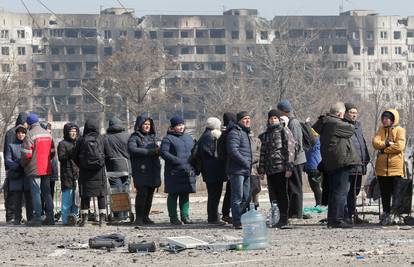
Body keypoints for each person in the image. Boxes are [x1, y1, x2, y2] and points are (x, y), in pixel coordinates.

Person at [313, 102, 360, 228]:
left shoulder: (326, 122)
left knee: (335, 192)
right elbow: (351, 129)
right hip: (340, 162)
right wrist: (346, 119)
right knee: (340, 192)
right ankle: (337, 220)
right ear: (340, 113)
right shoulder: (334, 123)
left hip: (332, 162)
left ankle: (333, 219)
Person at [258, 109, 295, 228]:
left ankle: (284, 218)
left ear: (279, 119)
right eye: (271, 118)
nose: (273, 120)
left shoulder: (284, 131)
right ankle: (276, 216)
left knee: (282, 193)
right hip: (270, 169)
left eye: (275, 118)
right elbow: (263, 152)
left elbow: (290, 150)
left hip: (281, 168)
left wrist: (289, 167)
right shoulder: (266, 134)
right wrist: (262, 169)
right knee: (273, 195)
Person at [20, 113, 56, 226]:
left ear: (29, 123)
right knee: (47, 193)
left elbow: (27, 155)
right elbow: (53, 152)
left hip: (34, 168)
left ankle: (37, 218)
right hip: (46, 168)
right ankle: (50, 217)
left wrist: (24, 165)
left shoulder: (30, 135)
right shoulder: (48, 134)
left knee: (36, 193)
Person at [372, 109, 406, 226]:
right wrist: (386, 144)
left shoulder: (400, 130)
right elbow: (375, 143)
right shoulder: (381, 130)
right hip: (381, 169)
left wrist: (383, 149)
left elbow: (399, 146)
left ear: (393, 120)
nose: (385, 120)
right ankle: (386, 213)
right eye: (384, 118)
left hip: (395, 168)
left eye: (387, 118)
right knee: (384, 193)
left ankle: (396, 214)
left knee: (397, 193)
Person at [160, 116, 196, 225]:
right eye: (178, 125)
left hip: (187, 170)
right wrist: (176, 160)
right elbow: (163, 152)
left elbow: (194, 151)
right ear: (173, 127)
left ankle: (185, 216)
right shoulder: (168, 138)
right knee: (173, 194)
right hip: (174, 171)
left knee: (185, 194)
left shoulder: (188, 137)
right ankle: (173, 217)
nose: (180, 127)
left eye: (182, 125)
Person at [128, 115, 161, 226]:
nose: (147, 126)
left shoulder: (154, 137)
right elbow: (133, 150)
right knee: (142, 194)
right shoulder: (134, 137)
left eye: (148, 124)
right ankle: (139, 218)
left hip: (153, 169)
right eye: (145, 124)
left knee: (150, 194)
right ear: (140, 125)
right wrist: (150, 151)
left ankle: (146, 216)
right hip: (141, 170)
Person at [277, 100, 307, 219]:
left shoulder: (293, 123)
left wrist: (291, 158)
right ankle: (293, 211)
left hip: (296, 159)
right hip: (292, 159)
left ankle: (297, 212)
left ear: (284, 111)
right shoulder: (288, 122)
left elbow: (296, 143)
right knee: (291, 186)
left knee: (296, 186)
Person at [74, 119, 107, 227]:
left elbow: (74, 155)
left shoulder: (81, 140)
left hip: (85, 172)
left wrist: (82, 164)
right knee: (101, 194)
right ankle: (102, 219)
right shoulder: (102, 139)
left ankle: (84, 219)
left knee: (85, 194)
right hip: (99, 171)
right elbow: (107, 153)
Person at [343, 103, 370, 224]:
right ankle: (346, 215)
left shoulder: (358, 126)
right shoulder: (343, 126)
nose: (353, 115)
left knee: (356, 191)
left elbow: (362, 144)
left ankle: (353, 213)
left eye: (355, 113)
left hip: (360, 164)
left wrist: (366, 158)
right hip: (349, 164)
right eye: (351, 112)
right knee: (347, 191)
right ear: (345, 113)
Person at [226, 111, 253, 229]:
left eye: (248, 118)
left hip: (246, 169)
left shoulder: (245, 133)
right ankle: (237, 221)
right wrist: (245, 162)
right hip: (237, 170)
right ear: (239, 121)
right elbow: (233, 151)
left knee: (246, 196)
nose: (247, 121)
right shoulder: (235, 132)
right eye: (244, 119)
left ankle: (242, 218)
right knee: (237, 197)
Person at [198, 117, 226, 225]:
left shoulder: (206, 135)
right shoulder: (210, 136)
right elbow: (213, 153)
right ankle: (213, 218)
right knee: (214, 195)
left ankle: (213, 217)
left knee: (213, 195)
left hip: (210, 171)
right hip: (213, 170)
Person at [4, 125, 32, 225]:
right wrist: (18, 166)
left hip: (27, 175)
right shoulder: (11, 146)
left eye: (23, 133)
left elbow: (32, 158)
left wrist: (24, 165)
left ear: (26, 134)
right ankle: (17, 218)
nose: (21, 135)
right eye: (19, 133)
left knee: (29, 199)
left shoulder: (29, 145)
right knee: (17, 200)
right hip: (16, 176)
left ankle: (30, 218)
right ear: (16, 134)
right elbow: (8, 160)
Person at [3, 111, 27, 223]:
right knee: (14, 194)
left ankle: (12, 216)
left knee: (14, 193)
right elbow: (8, 151)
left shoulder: (10, 132)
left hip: (13, 166)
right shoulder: (12, 133)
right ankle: (11, 216)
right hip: (15, 166)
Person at [103, 117, 130, 219]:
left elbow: (105, 153)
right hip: (127, 167)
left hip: (113, 168)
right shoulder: (128, 136)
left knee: (116, 191)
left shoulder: (106, 138)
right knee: (125, 190)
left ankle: (118, 215)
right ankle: (126, 213)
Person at [57, 122, 80, 225]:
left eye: (75, 131)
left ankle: (75, 219)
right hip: (67, 174)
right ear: (67, 132)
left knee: (76, 200)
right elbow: (61, 157)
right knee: (67, 200)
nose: (73, 133)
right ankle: (66, 220)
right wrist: (72, 152)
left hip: (78, 174)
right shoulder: (62, 144)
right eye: (71, 131)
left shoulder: (78, 143)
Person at [217, 112, 237, 224]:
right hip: (231, 167)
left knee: (230, 191)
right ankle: (226, 213)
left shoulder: (223, 135)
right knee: (231, 191)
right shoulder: (229, 134)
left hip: (226, 167)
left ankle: (225, 213)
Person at [40, 122, 58, 218]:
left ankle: (48, 212)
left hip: (51, 169)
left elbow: (53, 155)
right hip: (45, 169)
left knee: (49, 192)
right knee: (43, 192)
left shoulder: (51, 139)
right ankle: (42, 211)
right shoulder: (45, 139)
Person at [304, 128, 323, 207]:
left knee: (315, 187)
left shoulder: (314, 141)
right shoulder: (318, 140)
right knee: (316, 187)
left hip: (313, 167)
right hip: (315, 166)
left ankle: (319, 203)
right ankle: (320, 203)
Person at [249, 131, 263, 209]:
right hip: (247, 169)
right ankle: (250, 207)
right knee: (249, 190)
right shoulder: (242, 139)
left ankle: (255, 205)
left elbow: (260, 154)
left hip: (255, 169)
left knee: (255, 189)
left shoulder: (257, 140)